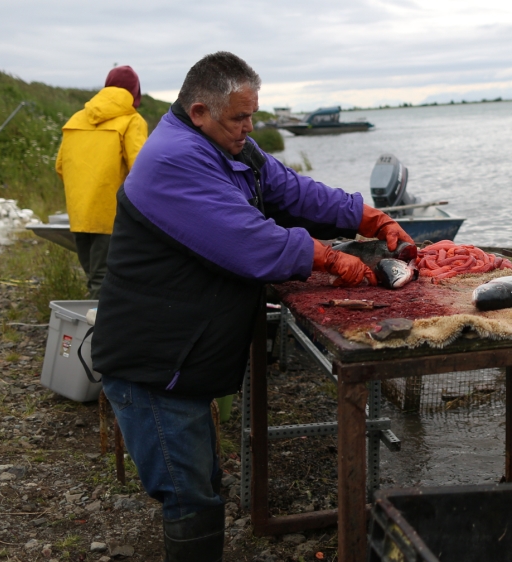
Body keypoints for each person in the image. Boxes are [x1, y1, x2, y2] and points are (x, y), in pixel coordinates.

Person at [90, 52, 412, 561]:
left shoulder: (229, 146)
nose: (249, 127)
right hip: (152, 364)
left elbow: (293, 191)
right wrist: (331, 258)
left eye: (252, 115)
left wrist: (367, 217)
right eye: (239, 118)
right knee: (188, 496)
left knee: (202, 481)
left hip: (182, 359)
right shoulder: (174, 160)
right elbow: (249, 241)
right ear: (200, 111)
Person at [55, 65, 149, 298]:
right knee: (104, 281)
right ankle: (100, 321)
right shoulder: (132, 121)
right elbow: (141, 170)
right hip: (111, 215)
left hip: (79, 214)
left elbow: (60, 166)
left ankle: (94, 317)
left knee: (94, 276)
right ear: (135, 91)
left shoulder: (76, 119)